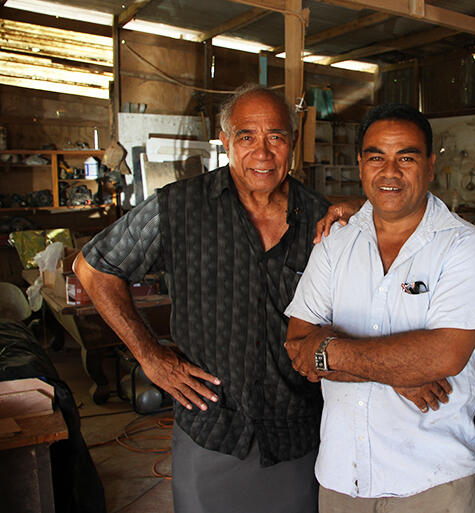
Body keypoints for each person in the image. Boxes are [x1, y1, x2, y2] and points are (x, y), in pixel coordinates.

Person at [73, 84, 331, 513]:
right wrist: (150, 357)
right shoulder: (179, 208)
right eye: (247, 137)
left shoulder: (321, 218)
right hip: (212, 428)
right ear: (225, 140)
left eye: (276, 137)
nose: (262, 153)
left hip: (300, 432)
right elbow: (94, 268)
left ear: (292, 142)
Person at [284, 103, 475, 513]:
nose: (390, 171)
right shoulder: (334, 244)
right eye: (377, 157)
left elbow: (445, 355)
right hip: (342, 478)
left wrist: (328, 349)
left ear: (431, 165)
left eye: (407, 157)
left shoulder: (463, 245)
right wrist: (400, 374)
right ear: (361, 164)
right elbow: (297, 346)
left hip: (432, 481)